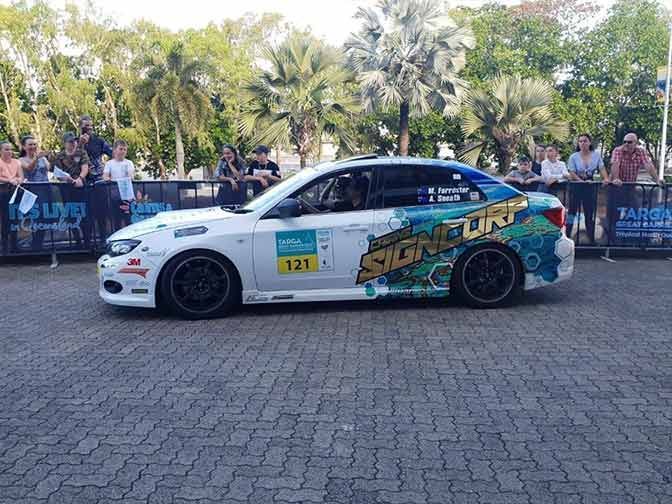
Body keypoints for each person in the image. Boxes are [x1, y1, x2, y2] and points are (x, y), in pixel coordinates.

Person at [607, 132, 662, 243]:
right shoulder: (618, 150)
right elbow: (615, 164)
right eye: (625, 142)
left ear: (636, 143)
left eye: (629, 142)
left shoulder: (640, 151)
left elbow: (648, 165)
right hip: (616, 187)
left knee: (635, 212)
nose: (626, 144)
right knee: (613, 215)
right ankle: (611, 242)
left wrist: (657, 180)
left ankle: (630, 240)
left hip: (630, 187)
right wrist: (616, 178)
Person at [566, 134, 608, 244]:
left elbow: (602, 168)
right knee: (572, 213)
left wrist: (606, 178)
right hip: (576, 185)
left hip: (590, 185)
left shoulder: (596, 155)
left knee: (590, 214)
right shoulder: (573, 156)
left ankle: (591, 239)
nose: (582, 143)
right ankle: (566, 237)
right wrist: (580, 181)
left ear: (590, 142)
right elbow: (571, 172)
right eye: (580, 141)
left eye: (585, 141)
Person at [53, 132, 91, 247]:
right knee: (71, 215)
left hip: (81, 187)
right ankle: (77, 242)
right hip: (66, 188)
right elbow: (57, 173)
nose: (73, 143)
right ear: (64, 143)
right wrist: (67, 179)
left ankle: (87, 242)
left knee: (85, 214)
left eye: (74, 141)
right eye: (70, 141)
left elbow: (85, 168)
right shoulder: (59, 156)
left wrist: (80, 178)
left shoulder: (82, 152)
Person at [19, 135, 50, 250]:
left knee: (45, 218)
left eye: (34, 144)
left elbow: (48, 168)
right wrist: (36, 158)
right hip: (32, 193)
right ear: (24, 147)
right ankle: (34, 246)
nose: (33, 146)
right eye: (30, 144)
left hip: (45, 190)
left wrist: (46, 157)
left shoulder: (42, 158)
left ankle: (39, 244)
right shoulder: (21, 160)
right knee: (35, 218)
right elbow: (28, 169)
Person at [103, 140, 136, 231]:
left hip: (127, 198)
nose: (123, 151)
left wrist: (128, 177)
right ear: (114, 150)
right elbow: (105, 176)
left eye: (125, 150)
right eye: (120, 149)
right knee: (116, 222)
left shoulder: (129, 163)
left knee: (128, 221)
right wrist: (109, 179)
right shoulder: (109, 163)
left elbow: (131, 175)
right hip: (115, 197)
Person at [78, 115, 113, 183]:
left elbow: (114, 154)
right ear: (80, 127)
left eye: (91, 125)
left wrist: (109, 170)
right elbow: (70, 159)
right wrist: (81, 144)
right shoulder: (74, 142)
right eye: (87, 125)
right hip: (81, 180)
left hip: (98, 179)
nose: (90, 128)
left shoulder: (99, 141)